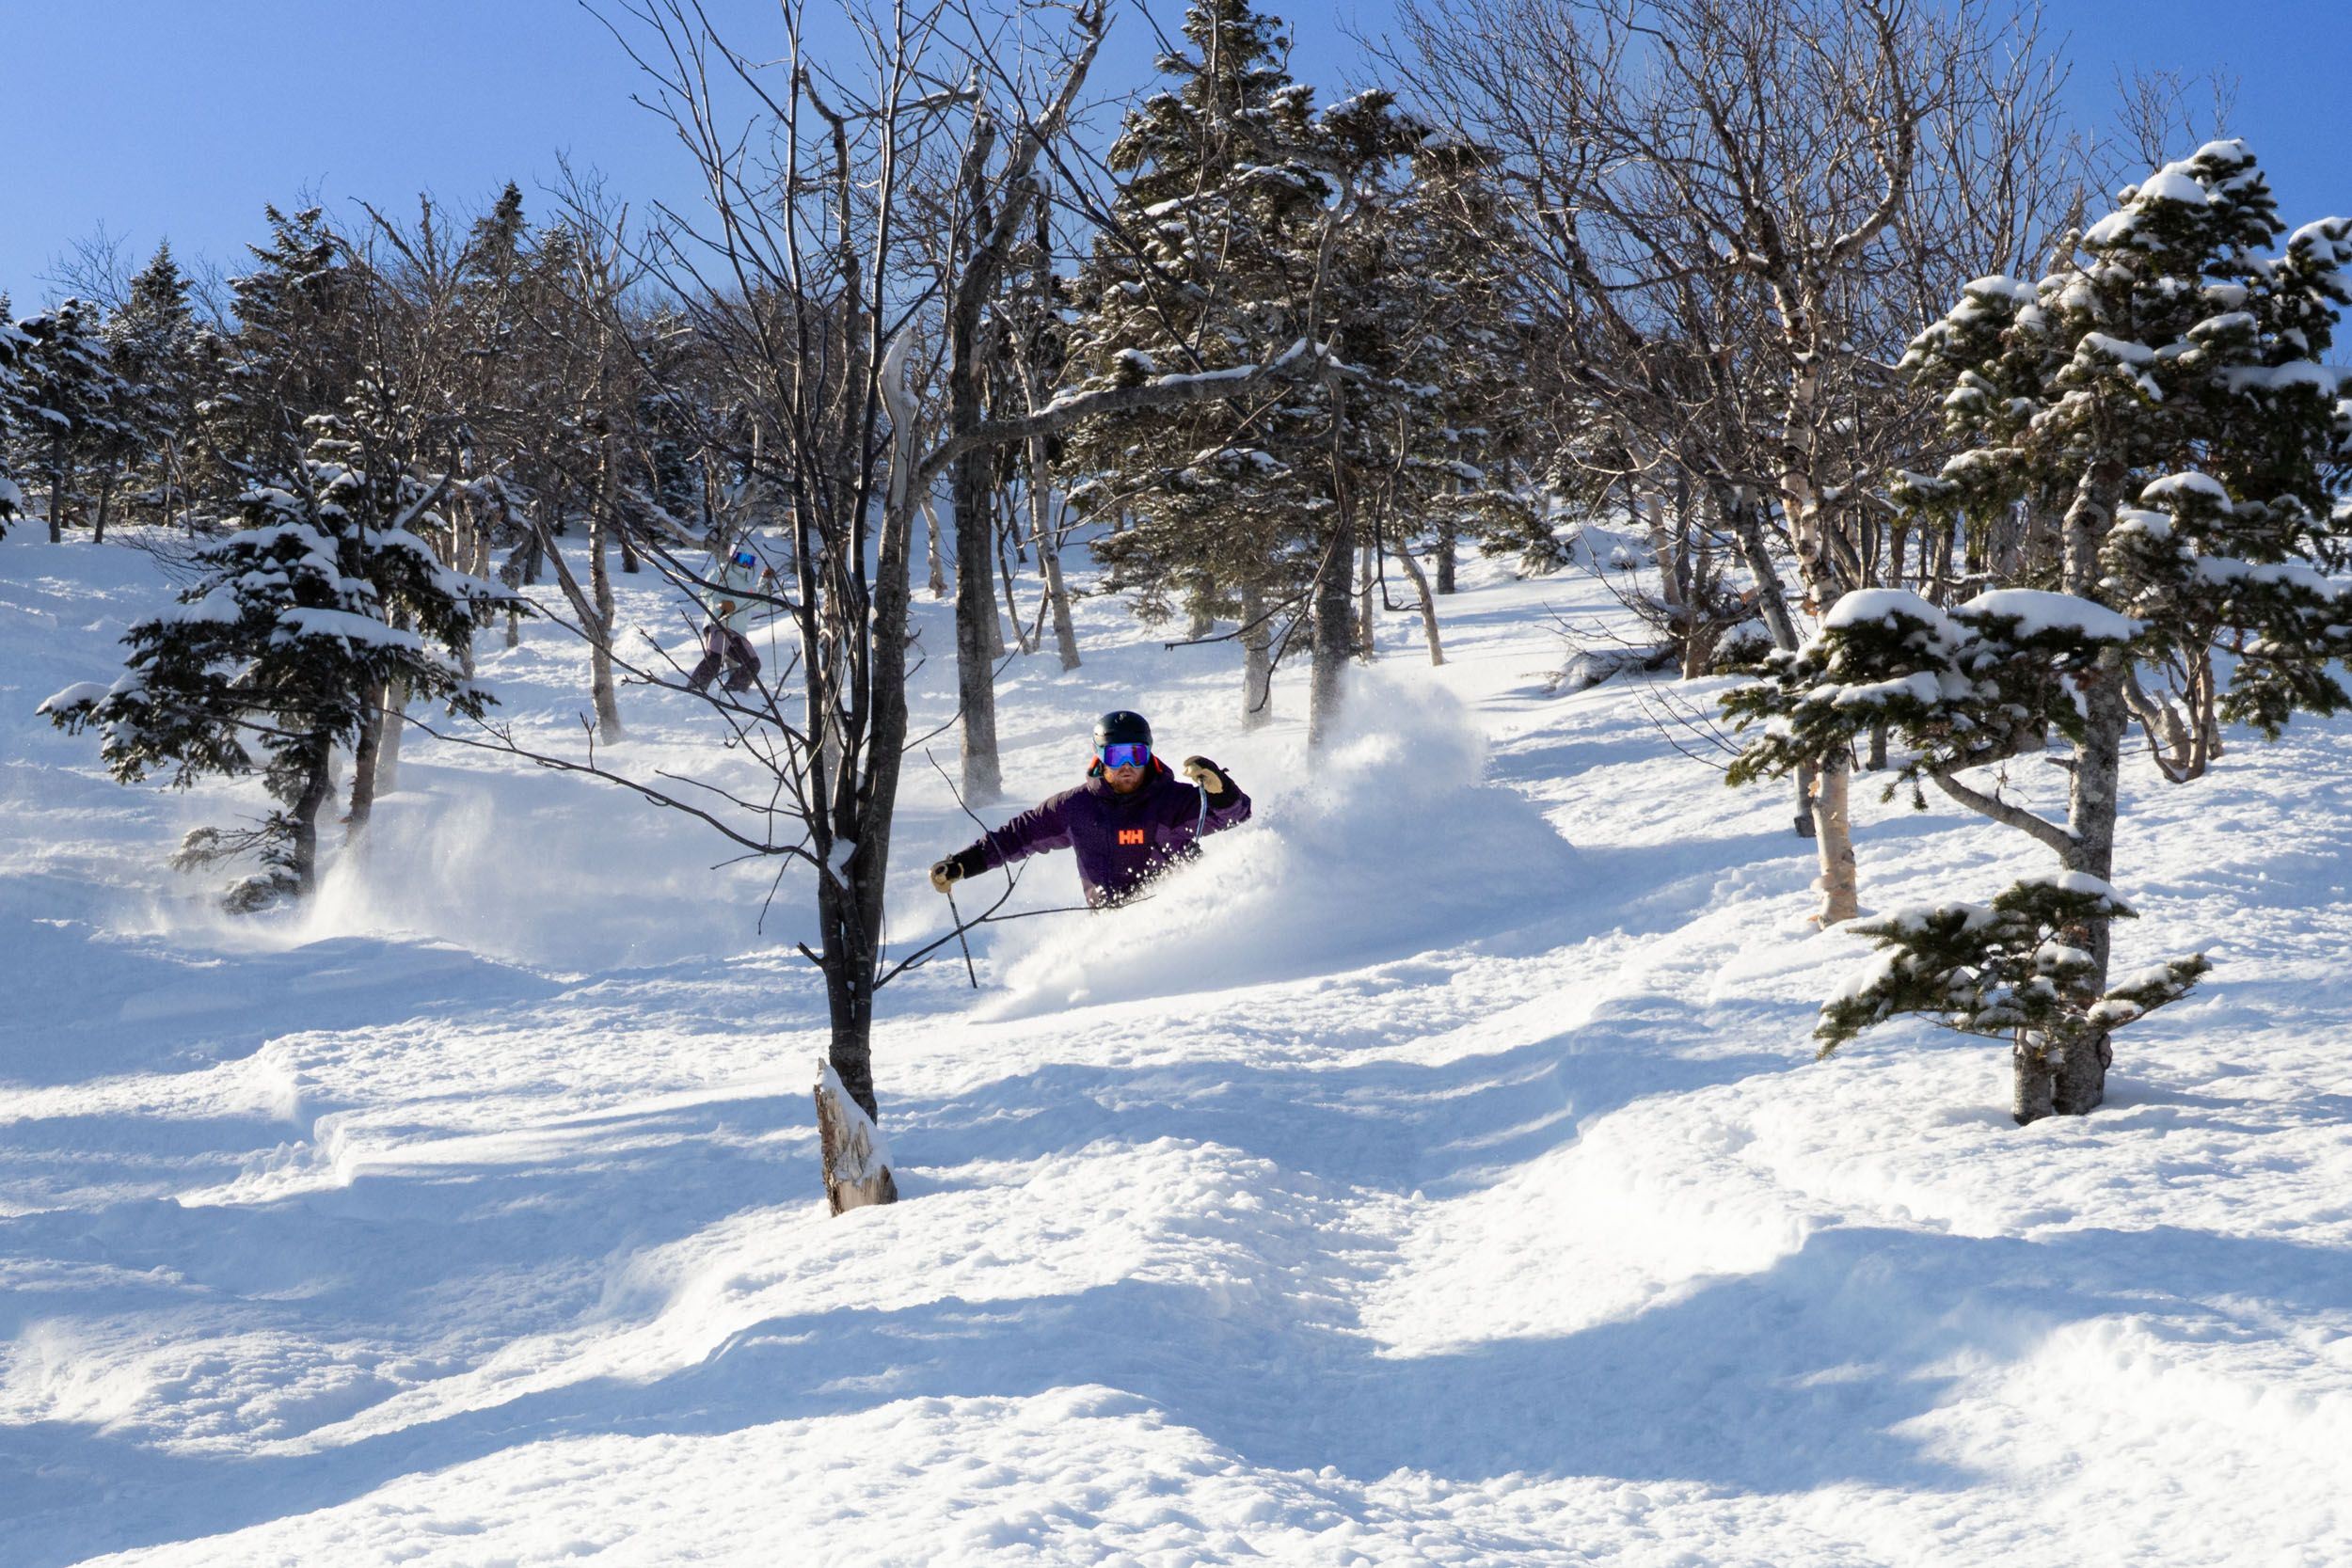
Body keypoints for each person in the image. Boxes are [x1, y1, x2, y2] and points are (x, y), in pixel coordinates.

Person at [930, 710, 1250, 909]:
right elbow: (1018, 835)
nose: (1126, 766)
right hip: (1111, 925)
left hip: (1180, 913)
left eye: (1135, 754)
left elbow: (1234, 814)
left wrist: (1220, 790)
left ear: (1149, 754)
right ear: (1099, 757)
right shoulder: (1075, 808)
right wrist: (962, 865)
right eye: (1115, 756)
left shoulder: (1172, 800)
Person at [686, 539, 772, 695]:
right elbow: (705, 593)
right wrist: (722, 605)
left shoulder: (747, 586)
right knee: (715, 658)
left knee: (753, 664)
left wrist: (765, 581)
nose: (746, 563)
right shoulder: (722, 572)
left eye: (749, 560)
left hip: (738, 632)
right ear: (734, 556)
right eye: (742, 559)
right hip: (719, 624)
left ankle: (733, 692)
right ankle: (695, 688)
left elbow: (763, 605)